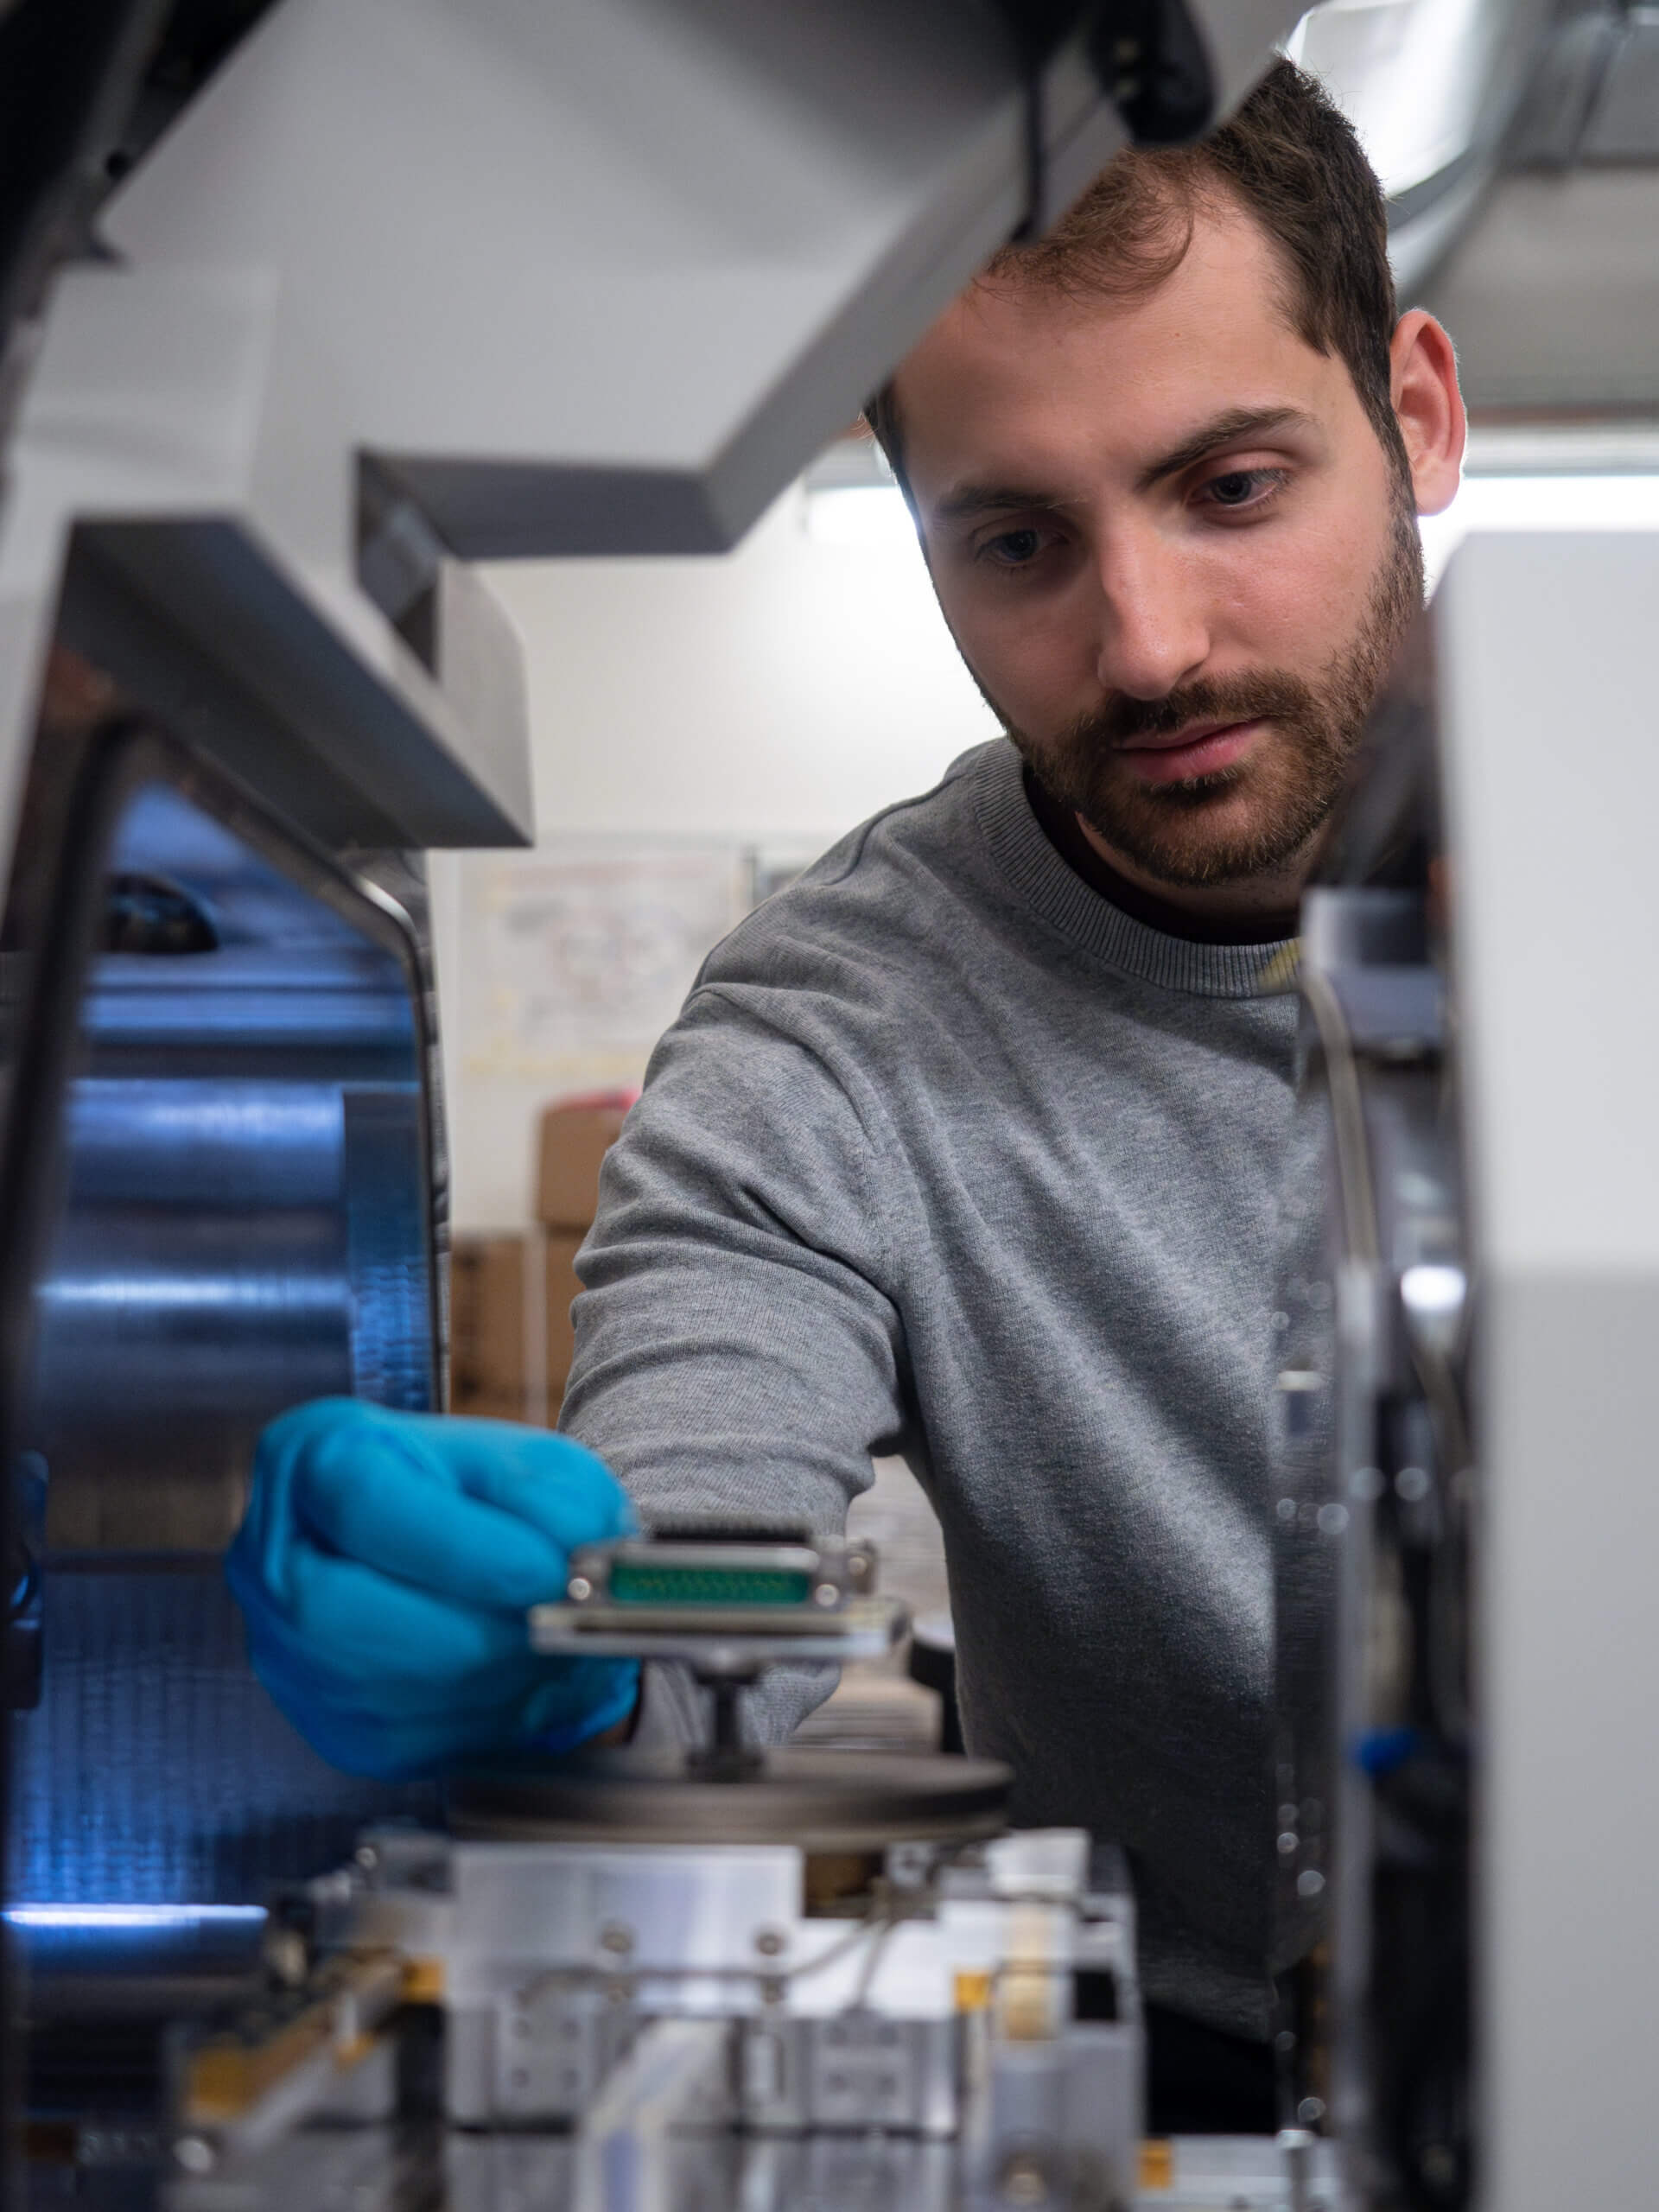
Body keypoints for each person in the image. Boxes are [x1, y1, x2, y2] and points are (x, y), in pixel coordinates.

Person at [227, 59, 1465, 2133]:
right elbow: (695, 1537)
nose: (1146, 645)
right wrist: (562, 1638)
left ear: (1414, 413)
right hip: (1185, 2082)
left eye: (1232, 487)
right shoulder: (839, 1020)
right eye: (1018, 538)